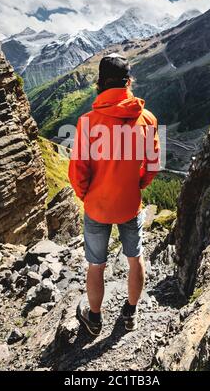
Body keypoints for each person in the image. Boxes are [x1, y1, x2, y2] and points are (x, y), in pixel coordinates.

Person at [68, 53, 160, 336]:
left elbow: (77, 173)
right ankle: (130, 314)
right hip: (130, 204)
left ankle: (94, 319)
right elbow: (153, 165)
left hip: (97, 206)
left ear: (99, 84)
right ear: (128, 82)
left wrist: (88, 196)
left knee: (96, 265)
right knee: (136, 258)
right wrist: (136, 186)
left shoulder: (87, 122)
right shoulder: (146, 119)